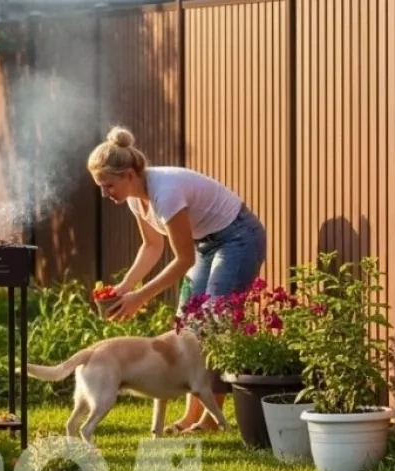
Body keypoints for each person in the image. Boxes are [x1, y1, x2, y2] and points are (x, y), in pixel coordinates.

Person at [89, 126, 267, 434]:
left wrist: (140, 297)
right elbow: (152, 246)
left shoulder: (165, 192)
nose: (105, 193)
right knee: (188, 324)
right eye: (101, 187)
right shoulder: (135, 198)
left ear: (129, 174)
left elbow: (184, 259)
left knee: (212, 324)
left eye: (108, 185)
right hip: (207, 244)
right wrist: (124, 288)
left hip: (238, 237)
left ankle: (211, 420)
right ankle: (191, 415)